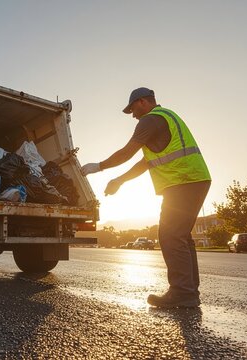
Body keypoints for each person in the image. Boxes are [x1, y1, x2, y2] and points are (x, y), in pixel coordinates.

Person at [81, 87, 211, 308]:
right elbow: (145, 163)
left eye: (132, 109)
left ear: (142, 102)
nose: (132, 115)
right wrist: (119, 180)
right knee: (181, 237)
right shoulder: (167, 117)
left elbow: (127, 152)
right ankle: (189, 291)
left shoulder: (150, 120)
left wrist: (99, 166)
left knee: (170, 235)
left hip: (182, 180)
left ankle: (182, 292)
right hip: (194, 179)